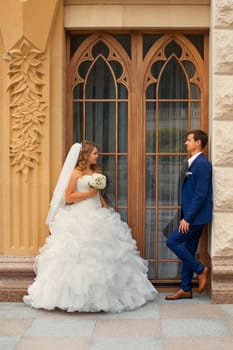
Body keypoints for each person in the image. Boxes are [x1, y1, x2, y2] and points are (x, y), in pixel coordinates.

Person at [23, 140, 157, 312]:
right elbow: (69, 197)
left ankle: (106, 296)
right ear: (85, 155)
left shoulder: (95, 172)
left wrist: (105, 206)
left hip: (98, 214)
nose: (97, 156)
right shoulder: (74, 174)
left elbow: (97, 194)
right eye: (94, 153)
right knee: (81, 256)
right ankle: (76, 298)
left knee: (107, 255)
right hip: (81, 216)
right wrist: (89, 194)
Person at [165, 130, 213, 300]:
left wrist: (188, 218)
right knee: (189, 249)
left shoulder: (202, 164)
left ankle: (201, 270)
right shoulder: (190, 162)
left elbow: (201, 194)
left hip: (195, 217)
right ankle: (185, 288)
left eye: (189, 140)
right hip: (190, 215)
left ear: (198, 142)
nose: (186, 143)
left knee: (172, 241)